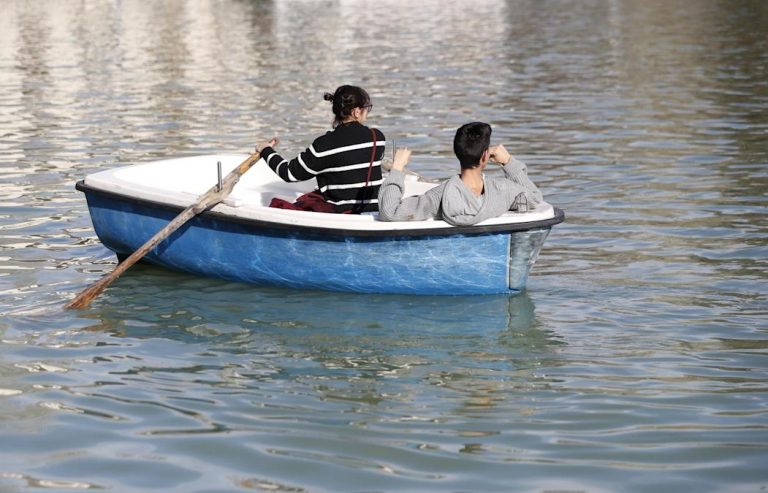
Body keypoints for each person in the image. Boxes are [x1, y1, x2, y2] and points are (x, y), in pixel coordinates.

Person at [378, 122, 543, 225]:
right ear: (486, 155)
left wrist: (397, 168)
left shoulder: (440, 196)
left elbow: (389, 212)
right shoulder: (504, 191)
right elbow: (534, 197)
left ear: (457, 153)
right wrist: (508, 161)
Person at [257, 85, 385, 213]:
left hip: (343, 214)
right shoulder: (377, 138)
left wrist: (266, 150)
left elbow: (290, 174)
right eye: (368, 108)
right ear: (356, 112)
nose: (368, 112)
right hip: (375, 211)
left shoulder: (324, 145)